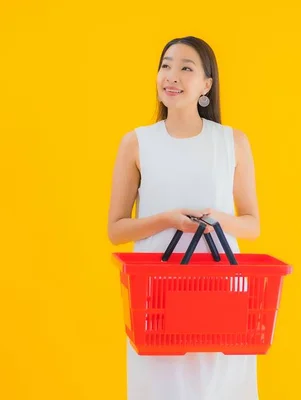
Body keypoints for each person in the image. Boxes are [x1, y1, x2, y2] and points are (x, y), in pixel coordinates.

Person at [107, 36, 261, 400]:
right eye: (165, 65)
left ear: (206, 85)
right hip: (155, 303)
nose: (171, 76)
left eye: (185, 68)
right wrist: (168, 220)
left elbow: (252, 224)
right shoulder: (137, 143)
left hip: (221, 300)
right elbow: (116, 229)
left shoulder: (232, 142)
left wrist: (219, 219)